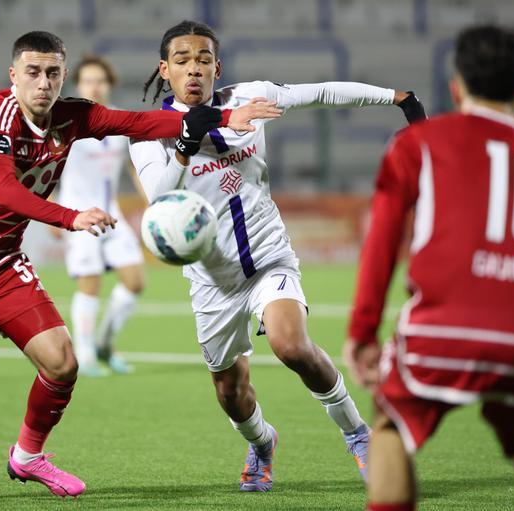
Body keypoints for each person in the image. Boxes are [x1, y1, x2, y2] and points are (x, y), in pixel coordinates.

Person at [0, 30, 273, 501]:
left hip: (0, 264)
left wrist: (224, 116)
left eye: (53, 72)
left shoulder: (73, 116)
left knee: (61, 363)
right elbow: (4, 191)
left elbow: (138, 122)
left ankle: (27, 456)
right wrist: (70, 217)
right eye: (33, 72)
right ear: (13, 76)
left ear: (63, 75)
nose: (43, 82)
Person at [129, 20, 426, 492]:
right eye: (182, 61)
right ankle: (263, 443)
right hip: (213, 281)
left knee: (291, 344)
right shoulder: (148, 134)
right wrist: (185, 144)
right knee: (230, 391)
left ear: (217, 67)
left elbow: (323, 93)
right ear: (164, 70)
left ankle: (358, 435)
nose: (194, 69)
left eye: (204, 59)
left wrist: (396, 96)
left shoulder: (251, 98)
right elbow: (160, 201)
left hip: (269, 258)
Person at [343, 24, 514, 511]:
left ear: (456, 87)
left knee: (389, 431)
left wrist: (362, 332)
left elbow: (381, 245)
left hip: (440, 333)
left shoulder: (417, 144)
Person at [55, 55, 146, 377]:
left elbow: (134, 167)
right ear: (77, 85)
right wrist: (53, 213)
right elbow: (47, 166)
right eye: (88, 80)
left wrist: (153, 202)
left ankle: (106, 344)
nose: (95, 85)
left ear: (110, 85)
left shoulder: (120, 121)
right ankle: (85, 354)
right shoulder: (64, 122)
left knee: (135, 281)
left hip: (112, 214)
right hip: (78, 215)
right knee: (90, 284)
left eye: (101, 80)